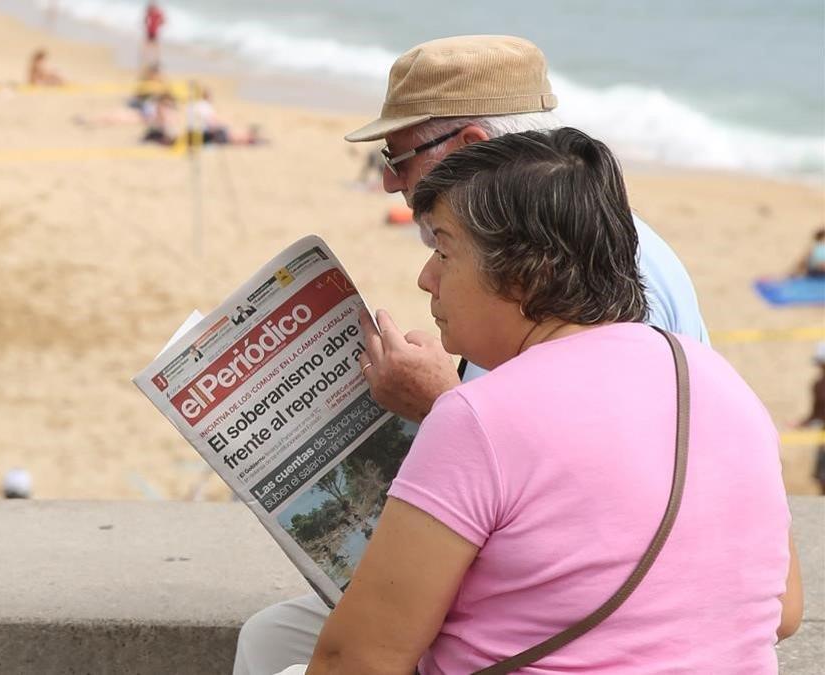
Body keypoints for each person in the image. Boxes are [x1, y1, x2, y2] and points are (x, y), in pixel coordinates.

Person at [234, 35, 712, 675]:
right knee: (272, 637)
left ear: (472, 149)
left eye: (398, 157)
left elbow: (604, 495)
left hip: (585, 609)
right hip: (548, 575)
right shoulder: (584, 261)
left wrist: (440, 404)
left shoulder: (612, 283)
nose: (387, 182)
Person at [309, 128, 800, 672]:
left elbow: (353, 659)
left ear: (527, 275)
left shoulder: (480, 416)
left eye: (444, 251)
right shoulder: (718, 379)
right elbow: (783, 610)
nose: (427, 279)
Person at [799, 342, 825, 493]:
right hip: (823, 439)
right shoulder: (817, 385)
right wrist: (800, 424)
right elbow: (815, 415)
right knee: (822, 479)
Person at [141, 2, 164, 68]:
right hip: (150, 32)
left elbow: (162, 21)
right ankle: (150, 61)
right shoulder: (150, 12)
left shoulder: (156, 13)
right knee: (149, 47)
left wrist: (157, 24)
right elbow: (145, 20)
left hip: (153, 32)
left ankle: (154, 62)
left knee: (153, 47)